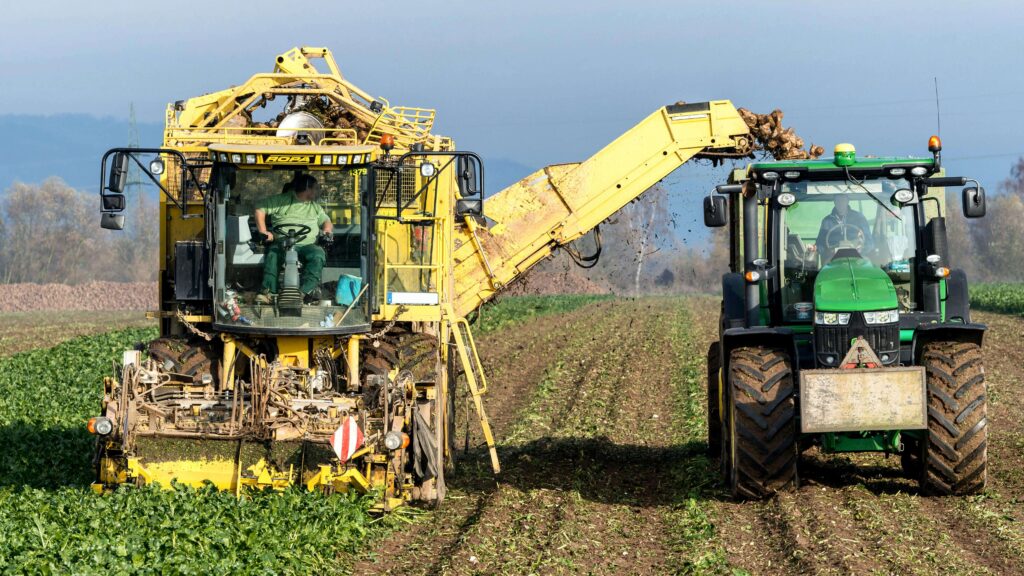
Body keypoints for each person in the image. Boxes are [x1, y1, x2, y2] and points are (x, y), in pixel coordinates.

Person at [254, 174, 333, 304]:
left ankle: (304, 292)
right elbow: (260, 209)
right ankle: (268, 293)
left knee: (318, 254)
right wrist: (264, 231)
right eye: (316, 188)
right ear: (308, 187)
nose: (317, 192)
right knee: (273, 255)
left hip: (307, 245)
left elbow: (326, 221)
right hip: (282, 242)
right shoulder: (280, 200)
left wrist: (327, 231)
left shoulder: (315, 207)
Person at [814, 195, 874, 262]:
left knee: (867, 265)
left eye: (843, 200)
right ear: (834, 202)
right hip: (833, 258)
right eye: (838, 200)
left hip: (857, 257)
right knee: (826, 266)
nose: (840, 203)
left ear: (848, 201)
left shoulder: (859, 218)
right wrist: (816, 248)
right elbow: (820, 243)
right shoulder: (827, 221)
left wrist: (860, 250)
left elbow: (869, 242)